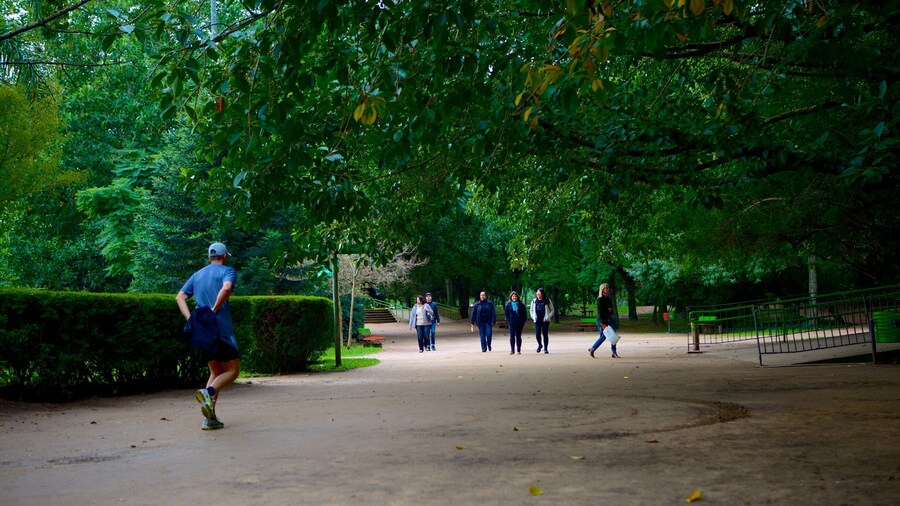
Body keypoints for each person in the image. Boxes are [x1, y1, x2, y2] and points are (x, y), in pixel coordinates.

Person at [176, 242, 240, 431]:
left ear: (209, 257)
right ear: (225, 256)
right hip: (222, 330)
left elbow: (179, 297)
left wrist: (191, 320)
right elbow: (227, 288)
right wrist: (215, 309)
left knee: (215, 372)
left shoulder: (197, 275)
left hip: (203, 331)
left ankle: (209, 419)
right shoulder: (228, 271)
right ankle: (208, 391)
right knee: (232, 371)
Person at [589, 283, 620, 358]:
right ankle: (592, 349)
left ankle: (614, 352)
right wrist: (602, 323)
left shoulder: (608, 298)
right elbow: (600, 312)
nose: (608, 289)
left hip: (609, 320)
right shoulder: (599, 299)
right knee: (603, 337)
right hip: (601, 320)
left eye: (608, 288)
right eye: (606, 288)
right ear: (602, 289)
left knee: (613, 335)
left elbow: (610, 310)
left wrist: (610, 310)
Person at [530, 287, 554, 353]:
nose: (538, 294)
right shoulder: (534, 301)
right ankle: (540, 345)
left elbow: (552, 310)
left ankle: (546, 348)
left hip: (545, 320)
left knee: (545, 334)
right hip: (537, 320)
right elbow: (531, 310)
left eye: (539, 293)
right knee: (537, 334)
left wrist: (548, 317)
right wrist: (533, 317)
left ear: (542, 294)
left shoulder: (547, 301)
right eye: (537, 293)